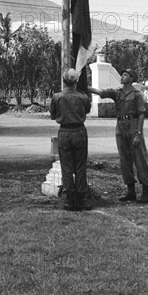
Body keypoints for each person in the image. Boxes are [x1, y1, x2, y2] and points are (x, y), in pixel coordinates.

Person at [89, 68, 148, 203]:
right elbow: (100, 92)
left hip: (133, 126)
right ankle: (130, 191)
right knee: (124, 160)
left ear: (131, 79)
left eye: (125, 75)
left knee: (140, 159)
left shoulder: (137, 94)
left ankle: (146, 191)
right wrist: (84, 87)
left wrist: (138, 133)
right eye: (123, 74)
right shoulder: (117, 93)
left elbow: (141, 114)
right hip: (120, 127)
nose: (122, 76)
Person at [50, 68, 92, 211]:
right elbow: (86, 110)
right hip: (79, 131)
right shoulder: (83, 97)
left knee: (66, 167)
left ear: (63, 81)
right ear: (76, 82)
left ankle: (69, 199)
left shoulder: (57, 97)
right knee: (80, 166)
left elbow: (53, 115)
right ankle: (81, 198)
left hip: (64, 132)